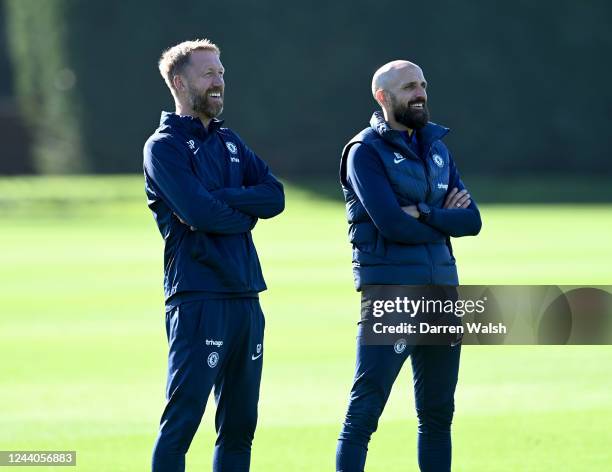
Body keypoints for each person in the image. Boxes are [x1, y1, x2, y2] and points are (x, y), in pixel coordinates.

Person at [143, 39, 284, 472]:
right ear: (179, 82)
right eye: (209, 73)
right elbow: (197, 212)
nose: (219, 80)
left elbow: (274, 196)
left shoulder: (230, 142)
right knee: (182, 423)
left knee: (240, 427)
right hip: (199, 296)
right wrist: (242, 210)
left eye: (221, 72)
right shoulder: (163, 147)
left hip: (245, 295)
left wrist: (224, 199)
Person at [336, 60, 482, 472]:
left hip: (442, 294)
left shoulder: (437, 148)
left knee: (438, 417)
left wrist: (423, 212)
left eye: (422, 84)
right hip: (392, 296)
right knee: (364, 415)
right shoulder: (363, 151)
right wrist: (439, 216)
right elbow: (390, 223)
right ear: (383, 97)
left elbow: (472, 221)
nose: (419, 93)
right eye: (408, 87)